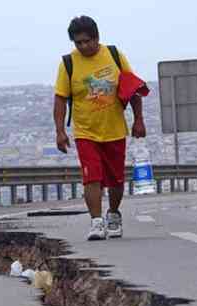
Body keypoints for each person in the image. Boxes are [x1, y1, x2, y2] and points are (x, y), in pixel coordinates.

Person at [53, 15, 146, 240]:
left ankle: (113, 214)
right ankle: (96, 221)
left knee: (115, 180)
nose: (83, 46)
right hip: (86, 131)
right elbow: (60, 98)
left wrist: (139, 119)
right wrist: (60, 131)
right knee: (91, 176)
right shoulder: (68, 63)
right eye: (78, 43)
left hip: (114, 129)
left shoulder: (114, 55)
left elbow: (132, 87)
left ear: (97, 38)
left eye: (87, 41)